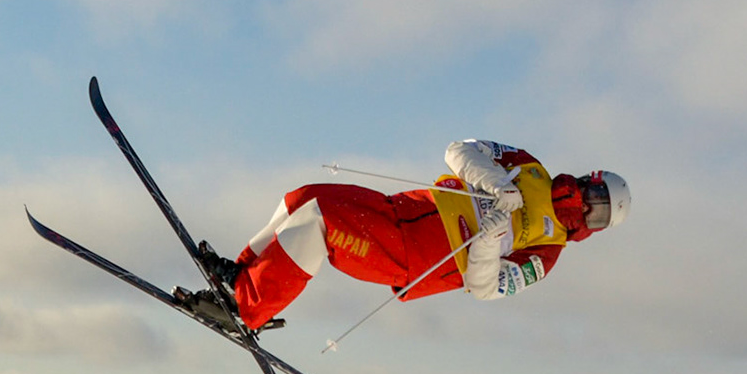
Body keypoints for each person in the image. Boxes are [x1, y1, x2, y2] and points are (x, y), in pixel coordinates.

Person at [181, 139, 629, 332]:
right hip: (404, 208)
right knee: (305, 197)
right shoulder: (529, 167)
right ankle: (242, 277)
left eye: (600, 217)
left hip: (417, 257)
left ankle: (248, 309)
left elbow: (485, 287)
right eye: (597, 198)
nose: (589, 211)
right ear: (588, 181)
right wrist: (496, 182)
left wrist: (489, 241)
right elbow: (460, 150)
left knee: (321, 221)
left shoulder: (547, 252)